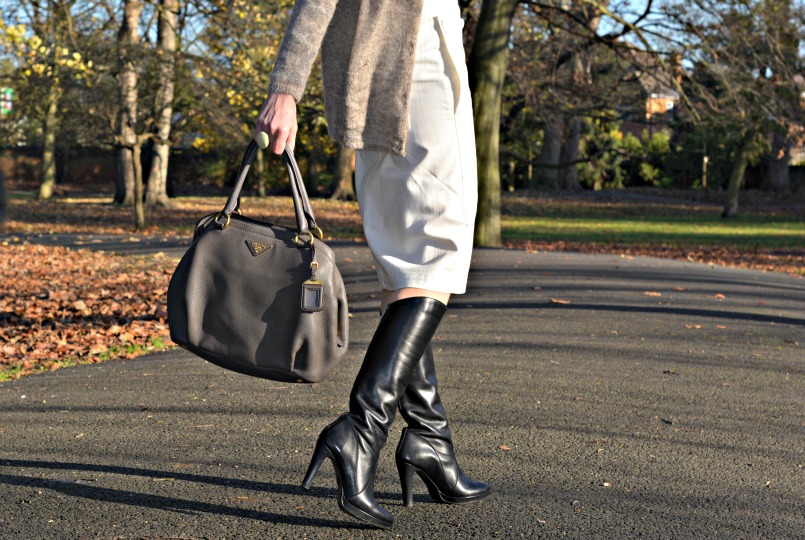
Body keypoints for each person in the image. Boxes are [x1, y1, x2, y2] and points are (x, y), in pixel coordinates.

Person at [255, 0, 489, 529]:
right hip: (419, 60)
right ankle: (361, 431)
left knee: (405, 263)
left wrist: (288, 86)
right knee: (439, 252)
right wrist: (286, 88)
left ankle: (430, 440)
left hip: (374, 77)